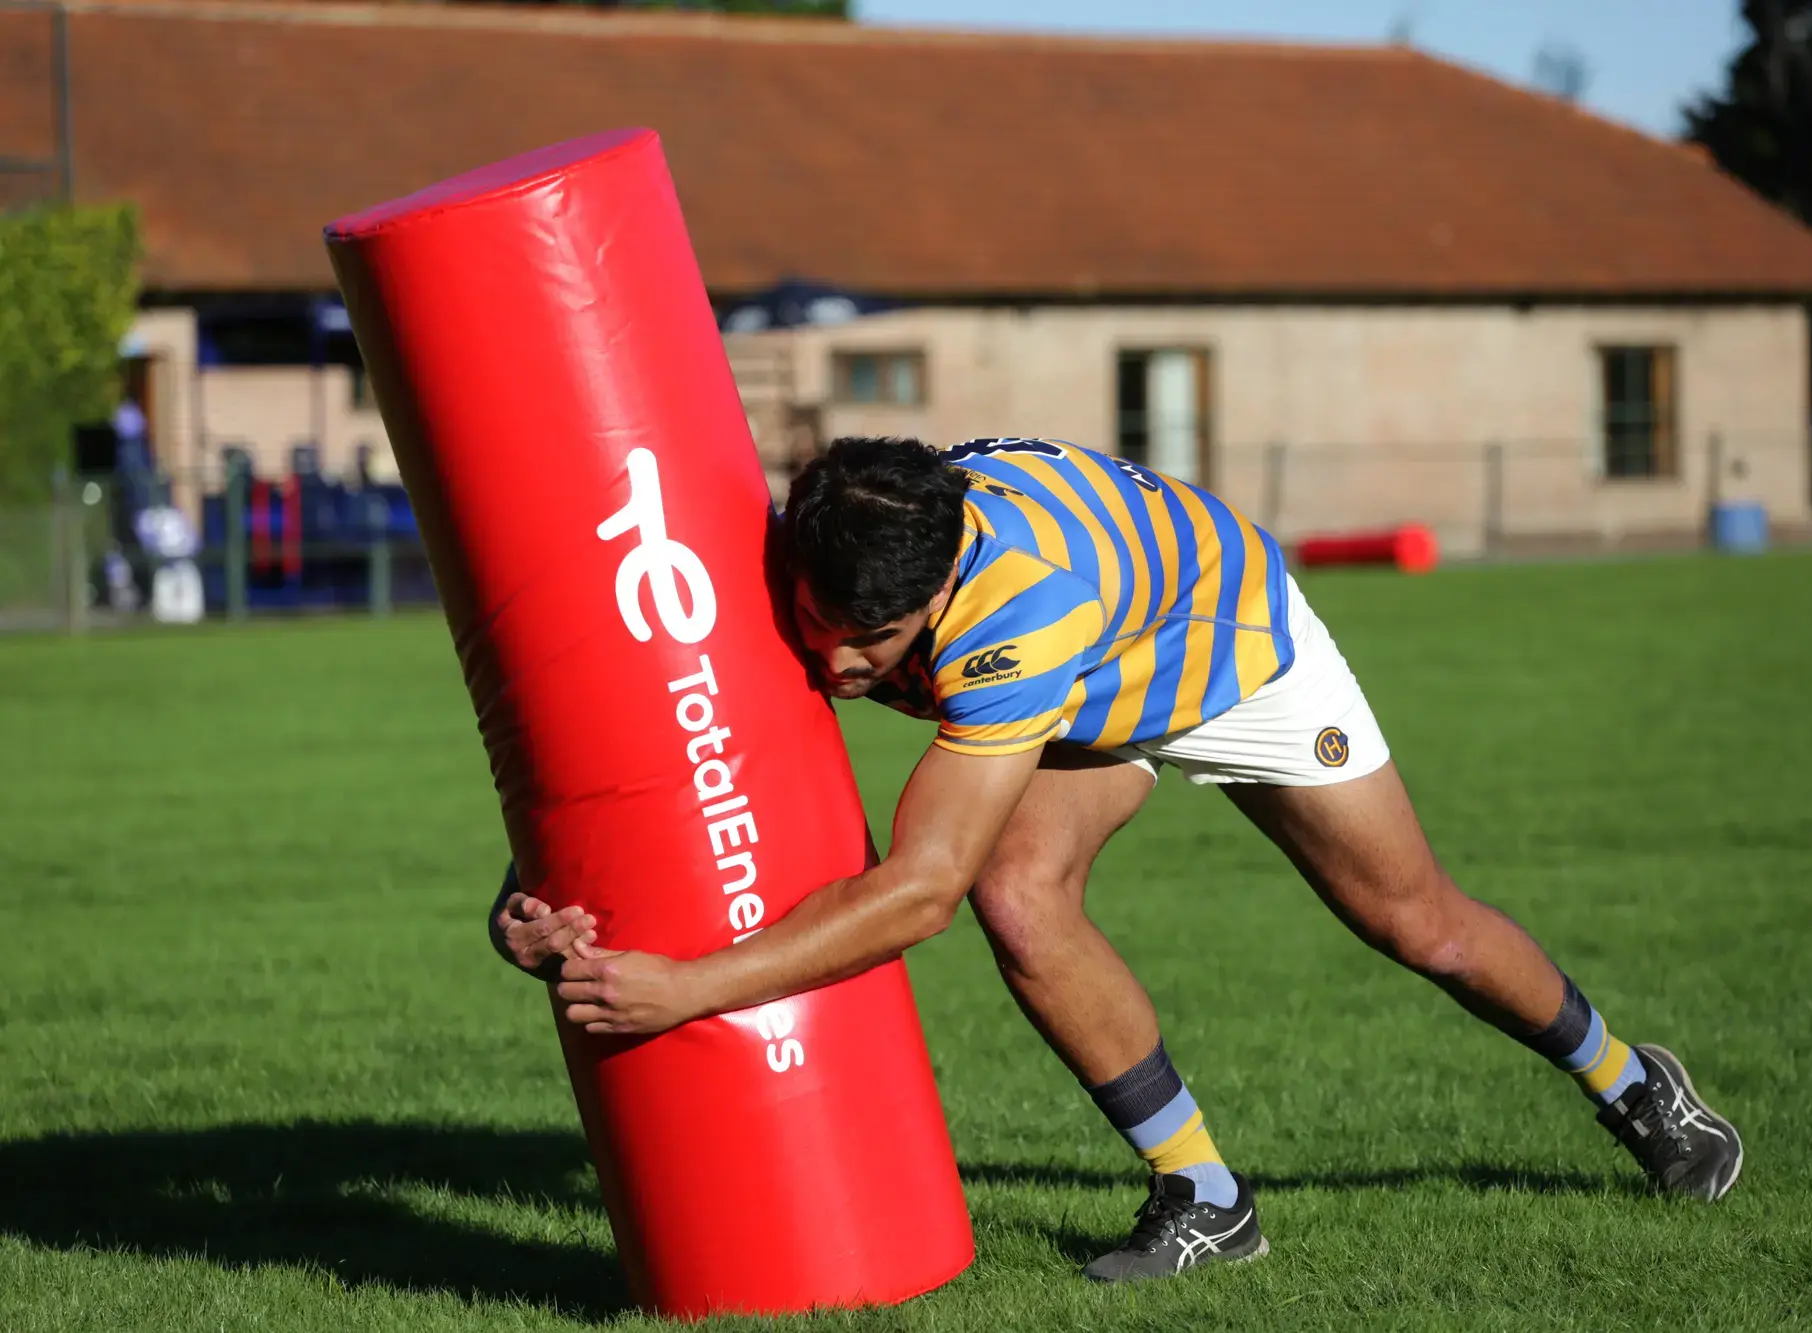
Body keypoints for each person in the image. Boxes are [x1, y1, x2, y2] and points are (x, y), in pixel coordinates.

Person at [492, 436, 1742, 1283]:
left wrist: (689, 991)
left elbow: (911, 892)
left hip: (1218, 647)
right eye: (816, 628)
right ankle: (1204, 1197)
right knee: (1020, 896)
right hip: (1083, 659)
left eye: (869, 642)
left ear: (937, 597)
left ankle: (1633, 1083)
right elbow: (662, 747)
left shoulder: (1017, 612)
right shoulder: (825, 552)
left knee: (1418, 926)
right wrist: (542, 890)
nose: (832, 666)